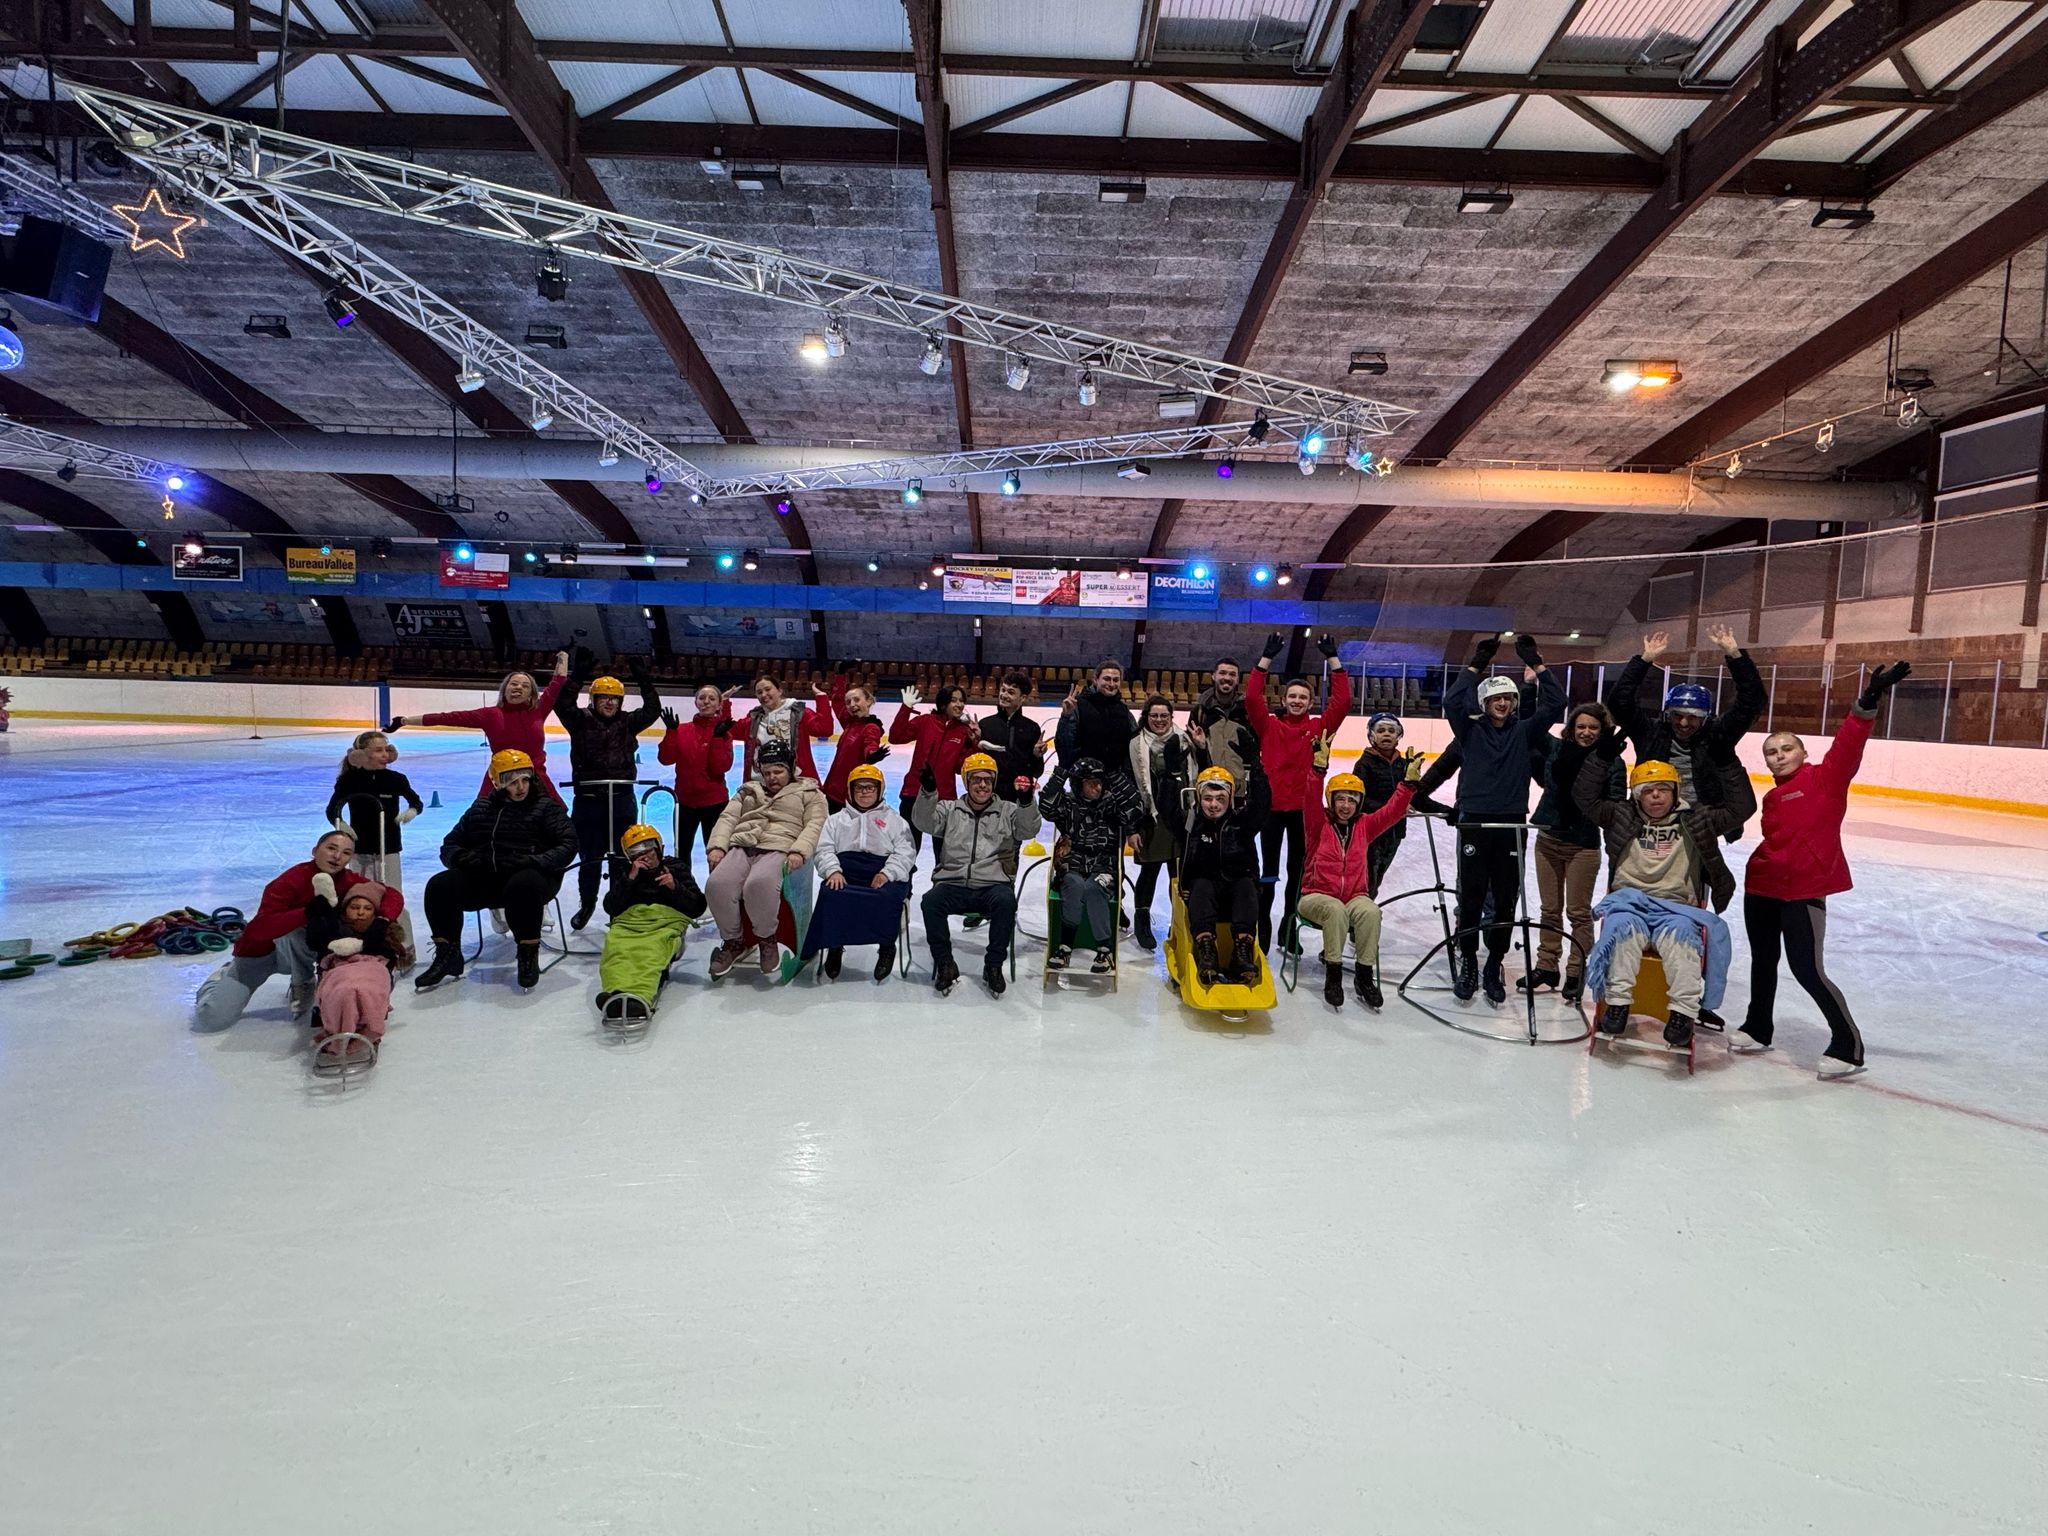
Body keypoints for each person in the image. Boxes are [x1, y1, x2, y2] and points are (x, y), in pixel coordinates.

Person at [1739, 660, 1910, 1078]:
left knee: (1807, 969)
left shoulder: (1825, 780)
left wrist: (1869, 698)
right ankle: (1758, 1027)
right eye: (1771, 752)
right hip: (1761, 886)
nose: (1779, 756)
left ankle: (1848, 1045)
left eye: (1786, 749)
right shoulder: (1773, 798)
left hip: (1802, 891)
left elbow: (1849, 744)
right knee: (1763, 961)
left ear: (1804, 753)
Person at [1574, 740, 1757, 1049]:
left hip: (1676, 909)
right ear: (1637, 795)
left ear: (1675, 792)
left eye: (1663, 789)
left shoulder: (1696, 819)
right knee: (1620, 937)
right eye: (1648, 790)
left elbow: (1742, 808)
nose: (1656, 795)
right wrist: (1601, 758)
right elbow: (1585, 797)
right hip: (1629, 904)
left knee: (1683, 946)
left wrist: (1727, 761)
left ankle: (1683, 1014)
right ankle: (1617, 1005)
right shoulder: (1621, 815)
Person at [1442, 633, 1565, 1004]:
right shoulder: (1469, 730)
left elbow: (1557, 702)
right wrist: (1476, 664)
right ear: (1485, 702)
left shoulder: (1525, 731)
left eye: (1508, 698)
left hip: (1511, 825)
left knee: (1506, 899)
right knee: (1472, 897)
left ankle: (1493, 963)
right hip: (1475, 823)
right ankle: (1469, 961)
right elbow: (1451, 701)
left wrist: (1537, 663)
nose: (1502, 703)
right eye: (1496, 698)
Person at [191, 828, 405, 1032]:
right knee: (212, 1019)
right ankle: (221, 977)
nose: (337, 856)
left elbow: (391, 894)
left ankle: (306, 983)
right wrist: (306, 912)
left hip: (305, 954)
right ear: (315, 851)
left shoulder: (349, 881)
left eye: (346, 852)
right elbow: (260, 929)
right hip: (262, 955)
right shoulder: (291, 880)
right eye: (331, 848)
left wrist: (383, 920)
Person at [416, 748, 578, 992]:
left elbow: (568, 845)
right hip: (487, 877)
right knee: (440, 886)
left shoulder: (546, 808)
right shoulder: (481, 808)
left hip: (533, 879)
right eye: (512, 782)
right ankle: (448, 953)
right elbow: (450, 843)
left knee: (523, 884)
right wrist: (461, 858)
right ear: (497, 782)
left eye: (525, 780)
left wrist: (534, 861)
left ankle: (527, 954)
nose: (520, 787)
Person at [1605, 624, 1765, 857]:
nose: (1683, 723)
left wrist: (1735, 656)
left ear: (1706, 717)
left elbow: (1752, 702)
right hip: (1652, 821)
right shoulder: (1651, 733)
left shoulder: (1717, 736)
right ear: (1667, 714)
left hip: (1699, 827)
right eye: (1677, 715)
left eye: (1693, 717)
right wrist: (1644, 660)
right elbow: (1619, 703)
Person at [1247, 630, 1354, 951]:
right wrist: (1265, 660)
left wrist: (1333, 660)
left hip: (1304, 813)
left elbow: (1343, 702)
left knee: (1298, 872)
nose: (1296, 701)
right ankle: (1262, 926)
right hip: (1271, 810)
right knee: (1268, 872)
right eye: (1292, 696)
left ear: (1310, 702)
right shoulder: (1269, 725)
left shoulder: (1318, 728)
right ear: (1283, 700)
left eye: (1302, 698)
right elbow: (1252, 698)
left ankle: (1288, 927)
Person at [913, 751, 1042, 997]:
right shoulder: (950, 809)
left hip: (992, 885)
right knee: (930, 902)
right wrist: (928, 792)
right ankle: (945, 962)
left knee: (1006, 902)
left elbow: (1028, 830)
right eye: (976, 779)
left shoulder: (1008, 811)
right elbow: (924, 823)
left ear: (994, 783)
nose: (982, 785)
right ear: (966, 781)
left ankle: (993, 965)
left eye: (987, 780)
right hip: (953, 883)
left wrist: (1026, 802)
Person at [1299, 752, 1422, 1009]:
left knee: (1370, 912)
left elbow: (1392, 812)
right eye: (1340, 799)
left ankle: (1364, 977)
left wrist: (1408, 785)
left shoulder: (1365, 826)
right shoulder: (1318, 824)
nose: (1345, 806)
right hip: (1315, 896)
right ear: (1331, 800)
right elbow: (1310, 798)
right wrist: (1318, 770)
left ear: (1359, 803)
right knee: (1335, 909)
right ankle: (1333, 976)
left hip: (1354, 897)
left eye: (1351, 800)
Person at [1521, 702, 1624, 1004]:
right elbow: (1532, 725)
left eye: (1593, 727)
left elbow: (1615, 805)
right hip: (1548, 839)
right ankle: (1547, 965)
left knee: (1578, 913)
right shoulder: (1555, 748)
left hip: (1583, 845)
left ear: (1602, 730)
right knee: (1549, 909)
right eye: (1581, 726)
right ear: (1571, 728)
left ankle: (1576, 971)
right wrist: (1531, 688)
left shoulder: (1611, 761)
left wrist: (1591, 808)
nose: (1586, 732)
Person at [555, 648, 664, 930]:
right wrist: (578, 675)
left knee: (622, 857)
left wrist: (643, 679)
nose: (609, 702)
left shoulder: (628, 722)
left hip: (621, 799)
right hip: (588, 801)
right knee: (589, 857)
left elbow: (652, 710)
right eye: (603, 697)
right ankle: (587, 903)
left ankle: (618, 907)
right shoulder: (579, 720)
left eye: (614, 698)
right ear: (593, 699)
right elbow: (562, 705)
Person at [704, 739, 827, 978]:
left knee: (759, 884)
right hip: (743, 846)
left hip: (779, 848)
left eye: (778, 771)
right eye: (767, 772)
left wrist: (799, 851)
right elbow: (728, 818)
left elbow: (815, 825)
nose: (772, 777)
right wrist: (717, 846)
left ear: (790, 769)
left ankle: (767, 940)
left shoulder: (810, 793)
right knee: (717, 885)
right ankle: (733, 941)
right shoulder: (748, 791)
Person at [386, 651, 570, 802]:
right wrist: (404, 721)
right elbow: (448, 718)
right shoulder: (490, 715)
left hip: (535, 778)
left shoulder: (538, 710)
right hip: (500, 778)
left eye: (525, 686)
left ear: (531, 694)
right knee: (480, 818)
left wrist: (564, 657)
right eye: (514, 684)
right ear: (505, 689)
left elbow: (557, 682)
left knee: (556, 816)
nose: (518, 687)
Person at [804, 762, 915, 981]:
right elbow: (824, 849)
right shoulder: (835, 820)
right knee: (831, 893)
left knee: (887, 897)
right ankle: (834, 944)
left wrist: (887, 873)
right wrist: (833, 871)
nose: (864, 792)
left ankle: (886, 946)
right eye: (859, 787)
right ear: (850, 790)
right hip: (846, 871)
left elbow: (906, 852)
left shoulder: (895, 821)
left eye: (869, 787)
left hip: (882, 871)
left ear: (879, 790)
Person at [1038, 757, 1148, 974]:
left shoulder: (1111, 803)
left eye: (1100, 782)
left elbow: (1135, 806)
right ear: (1078, 784)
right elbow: (1046, 807)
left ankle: (1104, 949)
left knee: (1094, 889)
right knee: (1074, 886)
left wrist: (1114, 775)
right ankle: (1065, 946)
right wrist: (1060, 774)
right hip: (1072, 864)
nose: (1097, 788)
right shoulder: (1067, 803)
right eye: (1091, 783)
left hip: (1104, 865)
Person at [324, 727, 423, 953]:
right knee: (362, 897)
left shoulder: (396, 779)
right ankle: (366, 942)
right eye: (378, 751)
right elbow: (333, 809)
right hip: (360, 848)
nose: (384, 755)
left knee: (393, 896)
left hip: (389, 847)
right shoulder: (349, 780)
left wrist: (412, 811)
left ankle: (405, 948)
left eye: (386, 750)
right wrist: (342, 826)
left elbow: (416, 801)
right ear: (360, 754)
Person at [1174, 761, 1271, 987]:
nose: (1214, 805)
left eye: (1220, 799)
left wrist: (1256, 769)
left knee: (1246, 886)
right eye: (1208, 799)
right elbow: (1167, 809)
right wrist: (1170, 775)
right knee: (1202, 886)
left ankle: (1242, 952)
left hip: (1235, 889)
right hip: (1203, 891)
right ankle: (1206, 950)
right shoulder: (1191, 824)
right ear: (1199, 798)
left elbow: (1262, 804)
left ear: (1230, 799)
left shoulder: (1242, 823)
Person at [596, 823, 706, 1022]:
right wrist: (629, 879)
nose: (645, 858)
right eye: (637, 855)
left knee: (650, 952)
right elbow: (611, 907)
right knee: (616, 948)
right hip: (630, 922)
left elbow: (697, 906)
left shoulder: (676, 868)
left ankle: (640, 997)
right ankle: (613, 993)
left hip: (664, 923)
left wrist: (674, 887)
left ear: (660, 849)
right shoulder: (627, 871)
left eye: (649, 852)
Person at [305, 879, 406, 1059]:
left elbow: (388, 956)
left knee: (362, 989)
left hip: (371, 971)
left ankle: (364, 1025)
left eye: (367, 908)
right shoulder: (335, 927)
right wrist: (319, 917)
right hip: (339, 971)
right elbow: (317, 943)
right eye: (355, 907)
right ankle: (338, 1026)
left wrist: (367, 943)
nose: (360, 912)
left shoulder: (383, 930)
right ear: (345, 909)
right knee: (343, 990)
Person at [1128, 695, 1193, 951]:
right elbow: (1131, 786)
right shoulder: (1135, 745)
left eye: (1164, 715)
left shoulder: (1185, 741)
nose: (1159, 720)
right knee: (1149, 871)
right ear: (1146, 717)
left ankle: (1178, 922)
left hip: (1179, 817)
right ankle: (1142, 920)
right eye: (1154, 715)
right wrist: (1131, 827)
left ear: (1171, 717)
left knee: (1179, 874)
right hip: (1150, 817)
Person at [657, 683, 738, 865]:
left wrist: (717, 739)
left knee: (716, 854)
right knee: (682, 853)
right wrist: (671, 732)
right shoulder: (681, 730)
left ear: (719, 705)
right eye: (702, 698)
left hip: (715, 804)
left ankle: (716, 885)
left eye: (712, 698)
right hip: (685, 803)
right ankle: (685, 884)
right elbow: (665, 759)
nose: (706, 702)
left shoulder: (724, 734)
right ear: (695, 702)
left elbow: (720, 768)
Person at [890, 683, 979, 846]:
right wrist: (906, 708)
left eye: (961, 701)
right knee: (907, 849)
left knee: (944, 852)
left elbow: (960, 768)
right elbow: (895, 737)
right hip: (914, 792)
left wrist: (974, 744)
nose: (959, 704)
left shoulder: (963, 731)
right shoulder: (925, 721)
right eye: (954, 700)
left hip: (944, 798)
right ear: (943, 703)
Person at [1054, 662, 1139, 782]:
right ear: (1095, 680)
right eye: (1107, 679)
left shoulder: (1124, 710)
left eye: (1116, 680)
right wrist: (1066, 717)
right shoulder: (1078, 705)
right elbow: (1064, 744)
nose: (1111, 684)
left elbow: (1135, 744)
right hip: (1085, 780)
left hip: (1116, 780)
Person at [821, 663, 888, 812]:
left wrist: (872, 755)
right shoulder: (849, 722)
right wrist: (840, 675)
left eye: (856, 700)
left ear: (869, 701)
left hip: (849, 794)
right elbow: (837, 701)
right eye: (849, 702)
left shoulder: (871, 728)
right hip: (833, 789)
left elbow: (870, 744)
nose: (851, 704)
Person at [743, 672, 833, 782]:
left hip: (796, 781)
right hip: (761, 781)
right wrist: (724, 703)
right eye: (759, 692)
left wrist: (821, 697)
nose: (763, 695)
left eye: (767, 689)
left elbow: (825, 730)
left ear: (779, 691)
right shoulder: (753, 719)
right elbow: (728, 731)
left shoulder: (798, 712)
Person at [978, 673, 1046, 804]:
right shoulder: (985, 725)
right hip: (990, 797)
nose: (1004, 695)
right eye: (1003, 690)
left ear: (1023, 697)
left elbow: (1037, 772)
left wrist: (1037, 756)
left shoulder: (1032, 728)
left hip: (1021, 798)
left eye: (1010, 692)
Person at [1192, 657, 1251, 729]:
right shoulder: (1199, 710)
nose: (1227, 678)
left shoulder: (1247, 711)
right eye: (1222, 673)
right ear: (1214, 676)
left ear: (1237, 680)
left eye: (1232, 674)